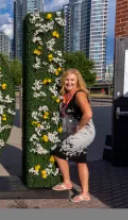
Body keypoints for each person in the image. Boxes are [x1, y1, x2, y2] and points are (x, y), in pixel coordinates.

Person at [51, 68, 96, 203]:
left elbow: (88, 114)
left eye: (72, 80)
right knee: (80, 160)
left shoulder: (79, 94)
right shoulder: (67, 95)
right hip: (73, 131)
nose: (69, 82)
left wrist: (78, 128)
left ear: (77, 82)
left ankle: (67, 182)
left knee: (58, 153)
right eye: (67, 79)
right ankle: (85, 193)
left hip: (82, 131)